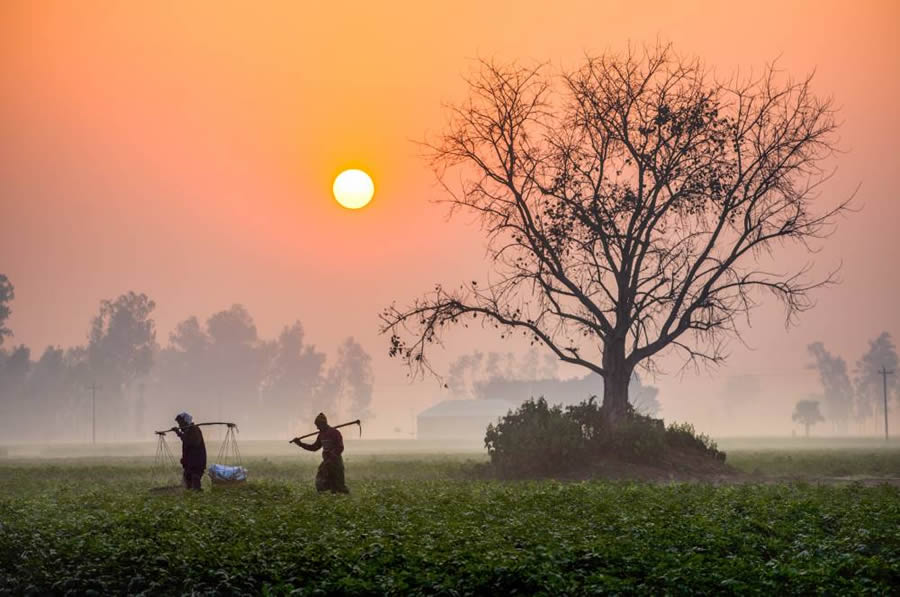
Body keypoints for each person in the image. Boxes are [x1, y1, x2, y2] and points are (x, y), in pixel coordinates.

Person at [292, 412, 349, 494]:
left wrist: (332, 455)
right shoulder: (321, 435)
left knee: (339, 486)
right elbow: (314, 447)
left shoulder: (335, 433)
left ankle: (347, 498)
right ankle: (329, 500)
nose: (317, 428)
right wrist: (300, 443)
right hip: (326, 462)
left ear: (323, 424)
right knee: (320, 483)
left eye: (318, 425)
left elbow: (340, 447)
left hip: (336, 463)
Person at [171, 412, 206, 491]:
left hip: (197, 463)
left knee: (195, 482)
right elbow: (187, 446)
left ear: (186, 422)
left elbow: (192, 442)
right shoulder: (188, 431)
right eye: (179, 424)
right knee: (187, 484)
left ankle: (198, 497)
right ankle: (191, 497)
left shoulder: (194, 429)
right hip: (190, 464)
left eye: (181, 423)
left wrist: (178, 433)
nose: (180, 426)